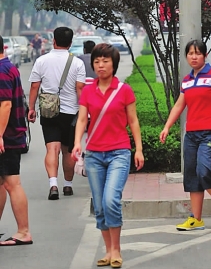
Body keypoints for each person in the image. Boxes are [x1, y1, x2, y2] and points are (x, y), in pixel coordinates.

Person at [72, 43, 144, 268]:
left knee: (111, 199)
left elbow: (133, 121)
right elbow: (82, 119)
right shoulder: (88, 91)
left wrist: (139, 149)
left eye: (105, 61)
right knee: (100, 205)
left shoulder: (124, 90)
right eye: (96, 61)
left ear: (114, 64)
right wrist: (77, 143)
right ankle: (108, 250)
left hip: (118, 153)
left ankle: (117, 249)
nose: (100, 65)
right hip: (94, 154)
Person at [159, 39, 211, 231]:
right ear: (186, 56)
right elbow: (179, 105)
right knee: (191, 175)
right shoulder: (187, 80)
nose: (194, 57)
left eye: (198, 53)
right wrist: (167, 127)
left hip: (210, 132)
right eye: (190, 53)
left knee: (205, 171)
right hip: (191, 134)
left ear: (205, 55)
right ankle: (196, 219)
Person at [28, 26, 86, 200]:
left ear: (53, 41)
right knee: (68, 151)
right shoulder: (77, 63)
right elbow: (80, 89)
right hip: (71, 113)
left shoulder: (42, 61)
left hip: (48, 111)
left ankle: (53, 185)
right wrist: (85, 112)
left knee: (52, 149)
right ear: (70, 43)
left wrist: (31, 108)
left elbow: (34, 86)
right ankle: (67, 185)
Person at [0, 35, 33, 246]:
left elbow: (5, 105)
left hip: (7, 138)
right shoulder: (8, 67)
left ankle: (24, 231)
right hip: (9, 135)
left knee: (12, 183)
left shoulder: (2, 71)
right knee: (3, 183)